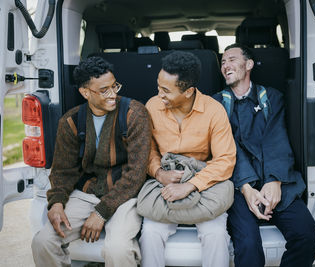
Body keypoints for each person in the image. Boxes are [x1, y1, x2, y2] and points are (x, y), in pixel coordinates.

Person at [31, 56, 151, 267]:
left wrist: (102, 212)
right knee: (43, 242)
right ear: (85, 93)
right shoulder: (71, 121)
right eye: (104, 90)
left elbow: (136, 174)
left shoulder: (134, 113)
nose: (113, 93)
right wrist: (57, 203)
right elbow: (62, 170)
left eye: (115, 86)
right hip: (86, 194)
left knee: (118, 249)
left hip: (125, 196)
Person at [213, 43, 315, 267]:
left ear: (249, 64)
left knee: (307, 236)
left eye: (232, 59)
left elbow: (277, 138)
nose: (226, 65)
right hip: (238, 184)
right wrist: (246, 188)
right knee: (249, 246)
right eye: (223, 62)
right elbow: (226, 148)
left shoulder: (272, 97)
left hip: (277, 177)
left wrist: (275, 180)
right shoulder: (215, 104)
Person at [139, 51, 236, 267]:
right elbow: (147, 151)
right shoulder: (152, 106)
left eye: (166, 90)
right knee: (151, 233)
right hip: (165, 179)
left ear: (189, 91)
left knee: (216, 235)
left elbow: (225, 160)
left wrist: (191, 185)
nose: (159, 94)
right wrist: (159, 173)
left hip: (203, 181)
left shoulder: (214, 110)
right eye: (158, 86)